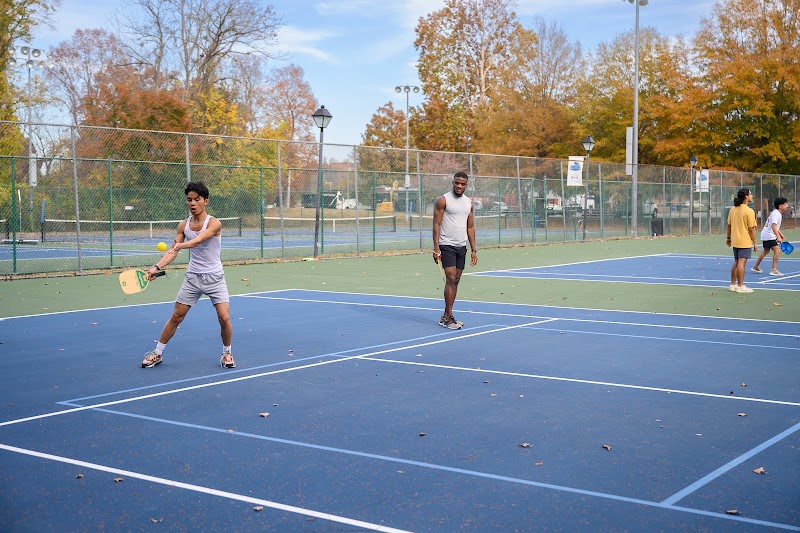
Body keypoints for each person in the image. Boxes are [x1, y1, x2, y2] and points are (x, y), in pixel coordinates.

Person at [141, 181, 235, 369]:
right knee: (176, 316)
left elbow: (199, 240)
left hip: (215, 278)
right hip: (193, 278)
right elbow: (172, 252)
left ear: (205, 201)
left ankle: (227, 353)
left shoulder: (214, 223)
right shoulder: (183, 225)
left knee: (224, 318)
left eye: (197, 199)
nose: (192, 203)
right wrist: (155, 268)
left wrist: (180, 245)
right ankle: (157, 353)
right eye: (189, 200)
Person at [432, 171, 477, 330]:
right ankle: (449, 317)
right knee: (450, 279)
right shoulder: (443, 200)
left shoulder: (468, 202)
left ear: (466, 185)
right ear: (453, 183)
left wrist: (474, 250)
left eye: (462, 184)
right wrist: (436, 248)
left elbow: (470, 226)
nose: (459, 186)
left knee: (456, 281)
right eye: (457, 183)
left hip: (461, 246)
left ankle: (446, 315)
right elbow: (436, 224)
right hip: (446, 245)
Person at [726, 188, 757, 293]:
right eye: (750, 194)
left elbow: (729, 225)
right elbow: (751, 229)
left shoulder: (732, 209)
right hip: (744, 240)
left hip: (735, 240)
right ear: (746, 197)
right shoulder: (749, 211)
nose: (752, 196)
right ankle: (740, 286)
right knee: (741, 263)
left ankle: (733, 284)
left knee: (736, 261)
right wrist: (755, 242)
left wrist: (728, 238)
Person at [752, 197, 788, 276]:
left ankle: (755, 266)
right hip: (769, 235)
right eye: (785, 204)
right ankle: (773, 270)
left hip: (766, 234)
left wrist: (780, 233)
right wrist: (778, 236)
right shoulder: (776, 214)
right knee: (777, 251)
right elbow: (773, 226)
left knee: (766, 251)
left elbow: (775, 227)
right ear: (780, 206)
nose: (787, 206)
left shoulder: (777, 213)